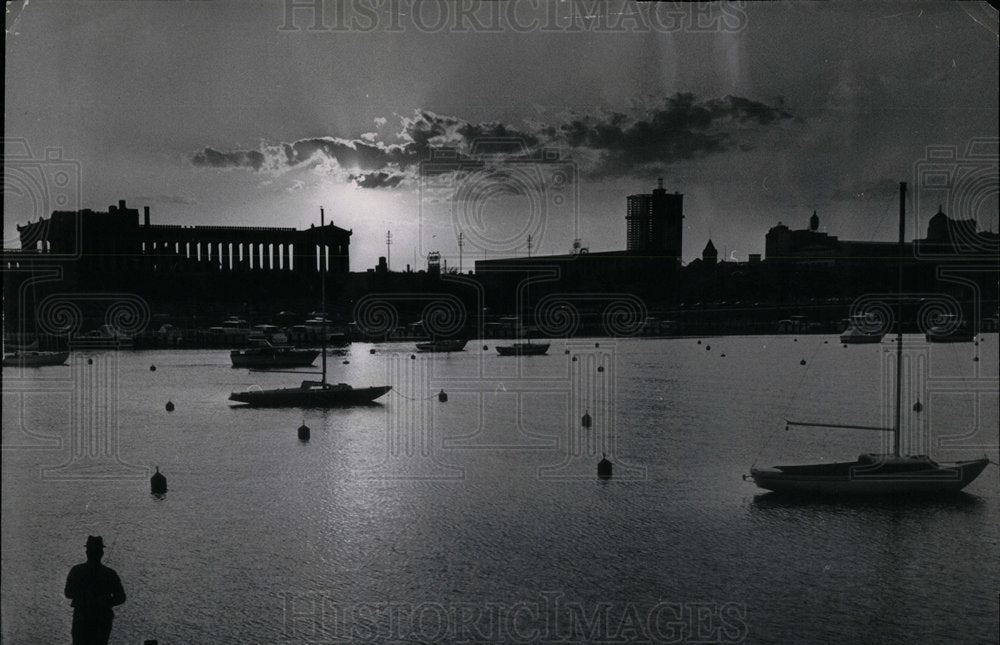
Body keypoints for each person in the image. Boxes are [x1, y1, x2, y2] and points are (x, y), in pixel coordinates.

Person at [65, 536, 126, 645]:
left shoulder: (76, 571)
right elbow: (121, 597)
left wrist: (84, 597)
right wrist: (106, 602)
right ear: (101, 553)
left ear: (87, 552)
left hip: (82, 618)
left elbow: (68, 593)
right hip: (102, 620)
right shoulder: (110, 574)